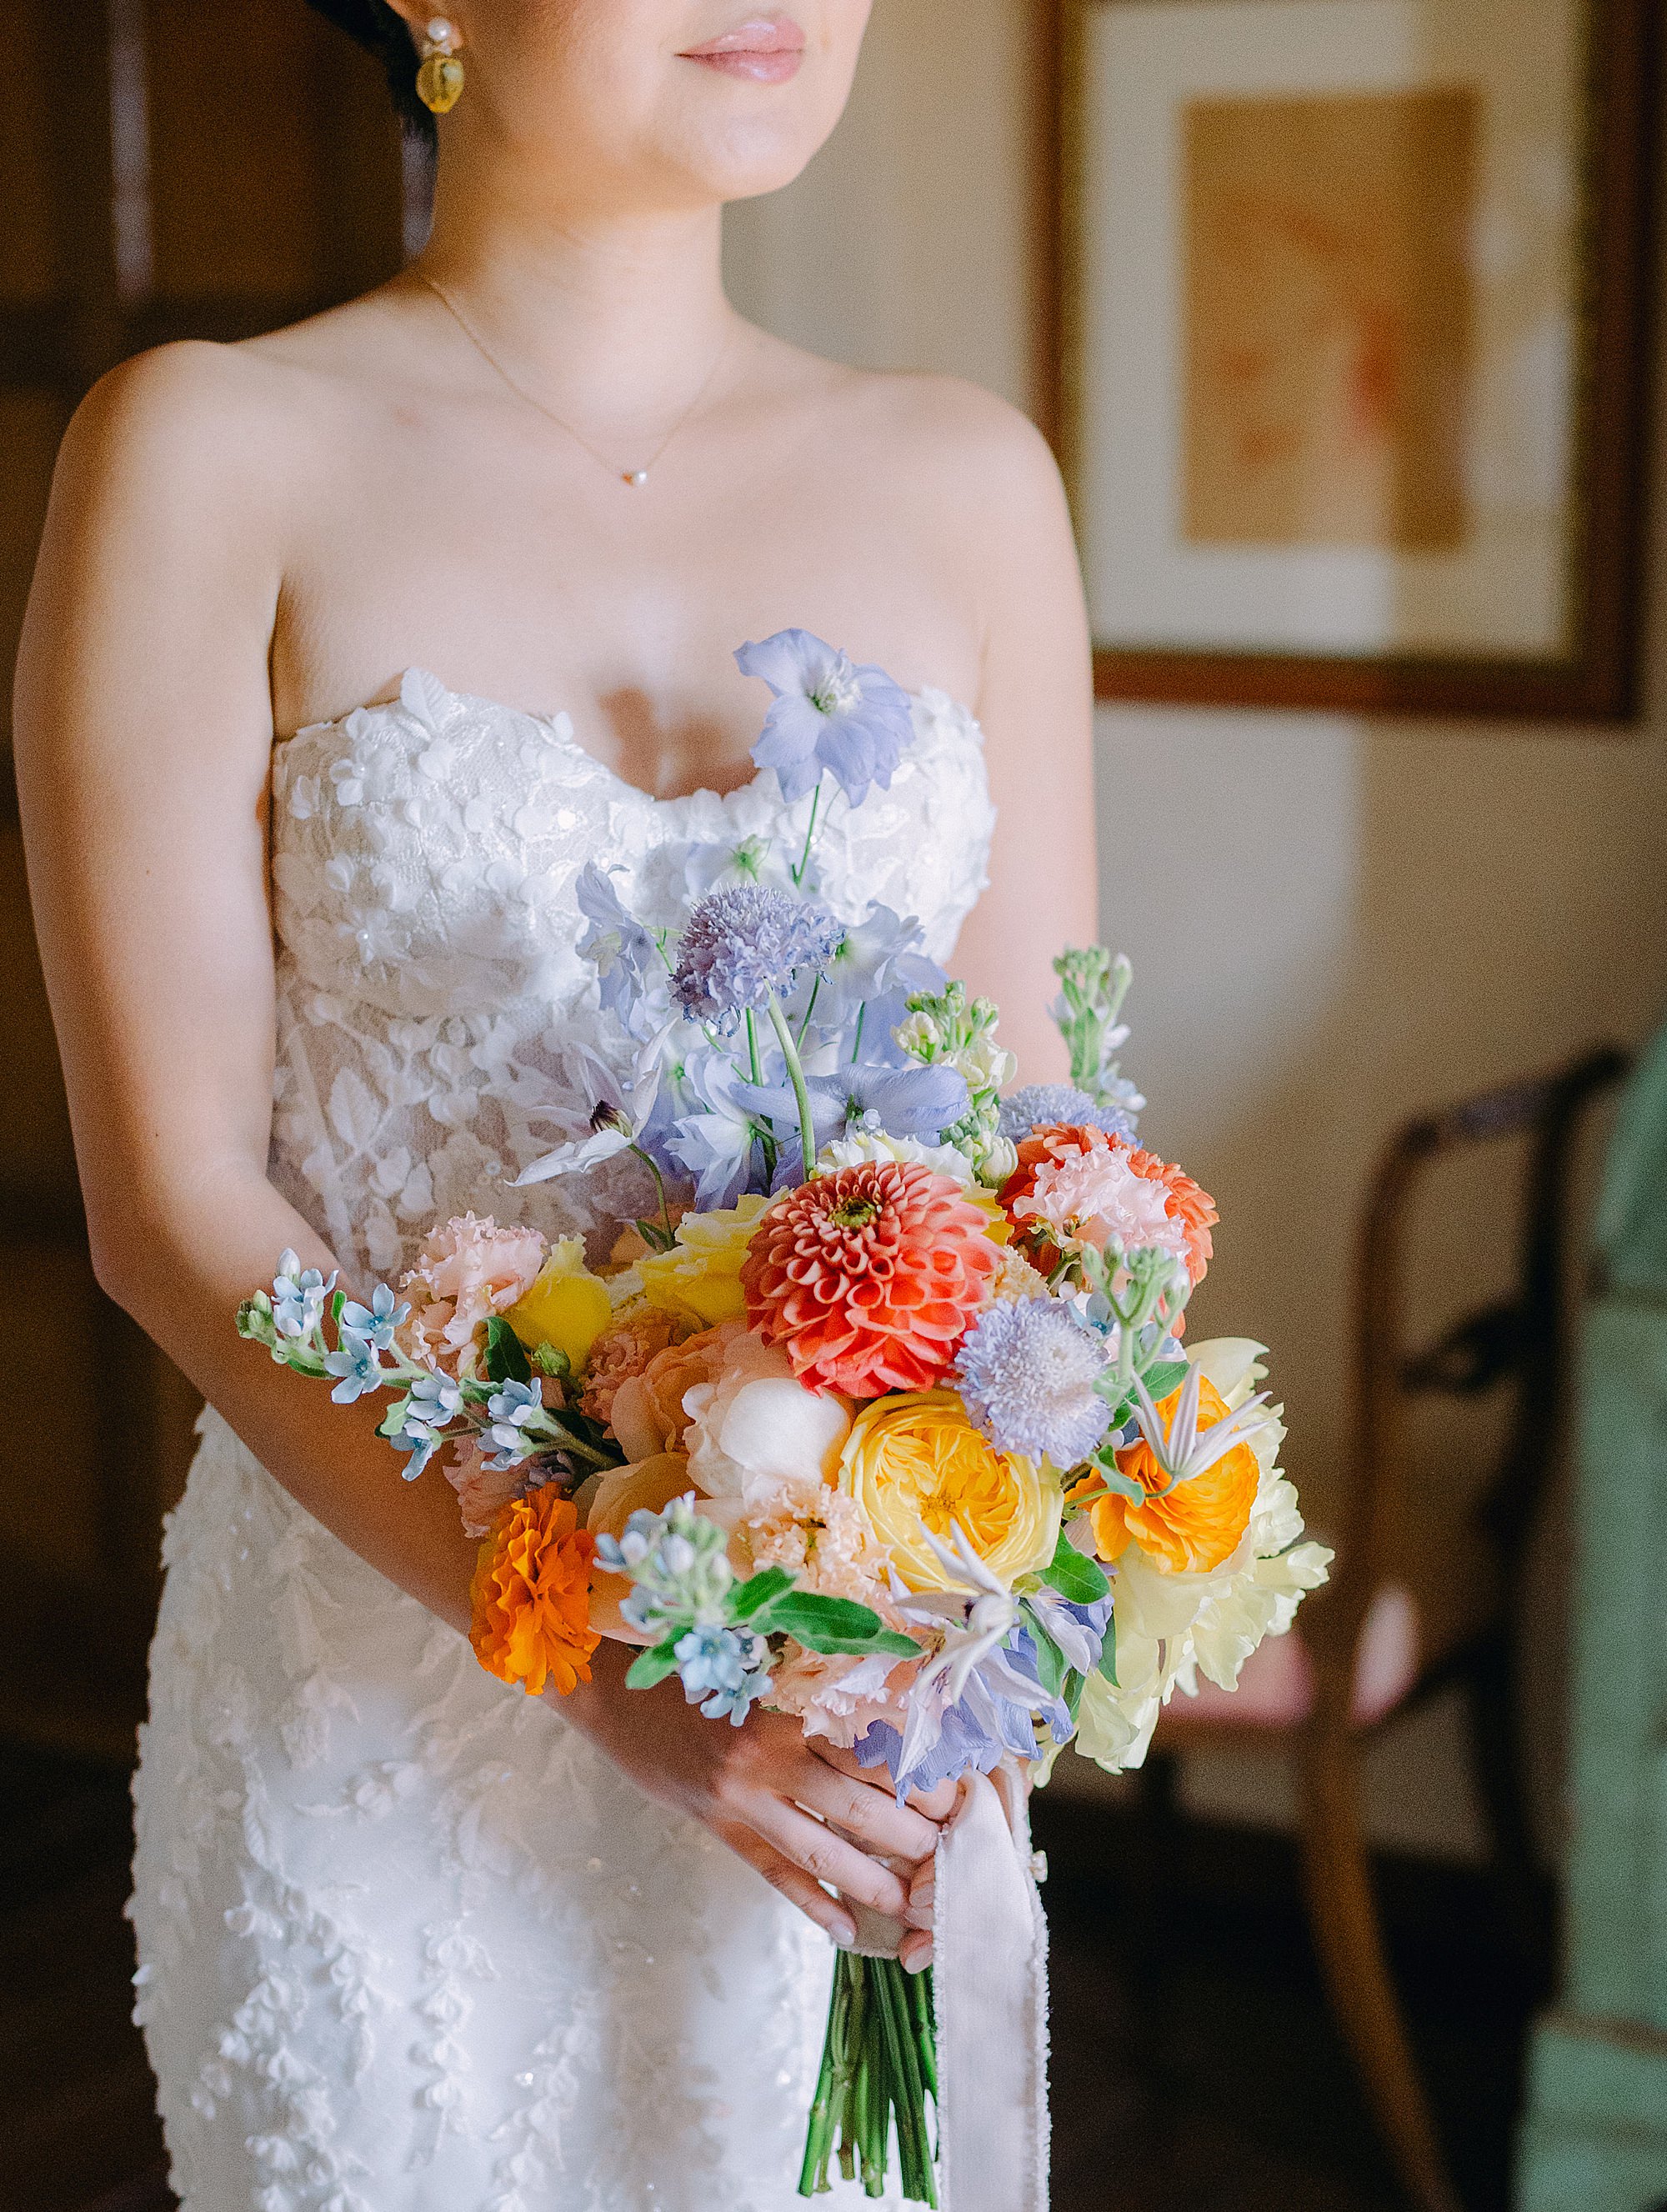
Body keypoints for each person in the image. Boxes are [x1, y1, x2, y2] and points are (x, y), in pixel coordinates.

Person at [15, 3, 1096, 2203]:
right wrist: (603, 1658)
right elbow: (172, 1195)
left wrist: (973, 1602)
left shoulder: (969, 476)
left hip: (847, 1711)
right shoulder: (205, 449)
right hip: (384, 1703)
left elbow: (1044, 1158)